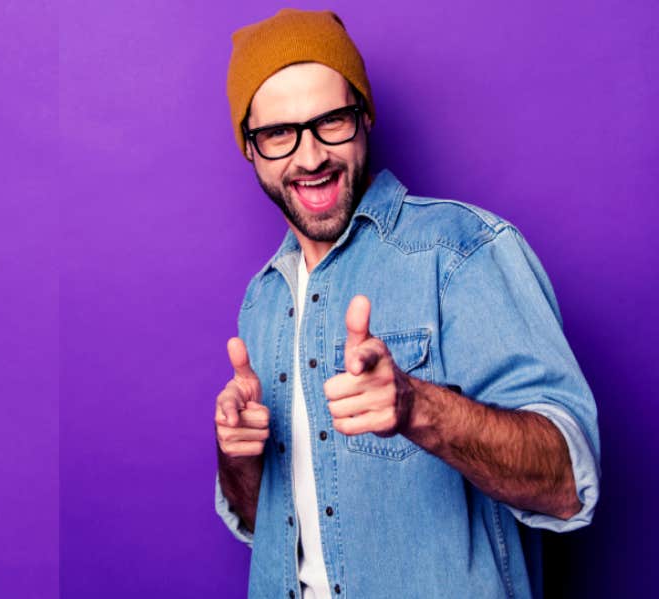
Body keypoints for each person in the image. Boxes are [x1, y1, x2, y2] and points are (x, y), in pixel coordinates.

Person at [212, 9, 600, 598]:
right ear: (251, 148)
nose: (310, 156)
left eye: (331, 121)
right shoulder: (262, 299)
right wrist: (236, 455)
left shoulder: (463, 251)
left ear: (364, 117)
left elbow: (570, 482)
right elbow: (262, 523)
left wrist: (417, 407)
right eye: (278, 133)